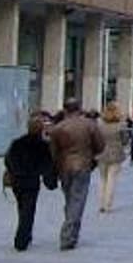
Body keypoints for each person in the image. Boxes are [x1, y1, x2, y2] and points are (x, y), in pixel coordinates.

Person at [49, 98, 104, 251]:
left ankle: (71, 231)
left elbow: (53, 152)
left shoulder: (58, 128)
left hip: (64, 166)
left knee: (70, 199)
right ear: (79, 108)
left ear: (65, 109)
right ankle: (68, 235)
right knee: (77, 199)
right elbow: (100, 146)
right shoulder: (89, 125)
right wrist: (89, 153)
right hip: (83, 165)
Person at [4, 113, 57, 251]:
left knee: (22, 207)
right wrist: (50, 181)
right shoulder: (42, 146)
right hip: (31, 181)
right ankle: (22, 239)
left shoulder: (17, 143)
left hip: (17, 180)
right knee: (29, 209)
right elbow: (47, 165)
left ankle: (26, 234)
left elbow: (8, 160)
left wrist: (14, 170)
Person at [96, 101, 128, 213]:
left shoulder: (99, 124)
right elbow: (125, 140)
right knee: (111, 179)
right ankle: (107, 204)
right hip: (116, 153)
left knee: (103, 180)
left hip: (101, 153)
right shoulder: (121, 125)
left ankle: (101, 203)